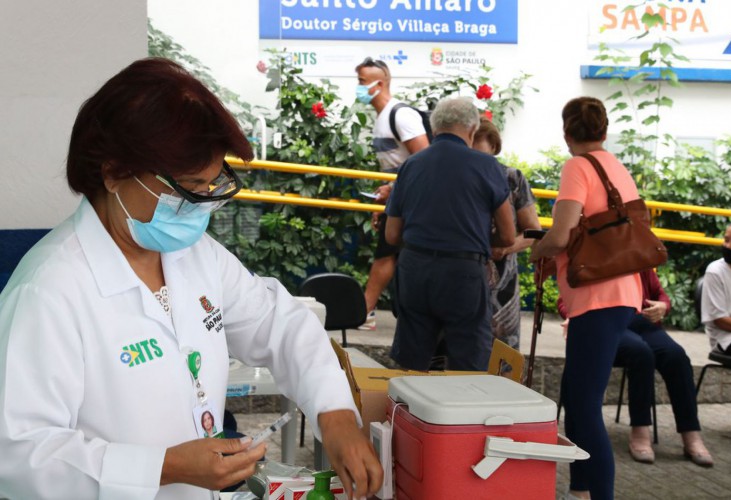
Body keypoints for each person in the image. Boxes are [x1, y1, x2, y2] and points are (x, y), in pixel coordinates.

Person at [0, 58, 382, 500]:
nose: (199, 206)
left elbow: (281, 324)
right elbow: (20, 454)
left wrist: (335, 416)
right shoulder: (49, 290)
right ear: (112, 172)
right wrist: (162, 468)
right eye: (185, 187)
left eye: (209, 187)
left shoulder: (193, 256)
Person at [530, 96, 642, 500]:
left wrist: (539, 250)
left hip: (599, 295)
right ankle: (579, 488)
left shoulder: (578, 166)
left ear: (566, 133)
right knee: (574, 395)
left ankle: (600, 495)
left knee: (585, 403)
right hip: (620, 291)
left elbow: (561, 234)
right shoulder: (615, 166)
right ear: (605, 130)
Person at [384, 97, 514, 371]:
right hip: (464, 272)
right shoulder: (487, 166)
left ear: (434, 128)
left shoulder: (411, 165)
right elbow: (508, 235)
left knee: (412, 362)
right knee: (468, 363)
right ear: (472, 129)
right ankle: (460, 413)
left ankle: (406, 413)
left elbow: (392, 234)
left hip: (415, 269)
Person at [558, 269, 713, 467]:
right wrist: (574, 316)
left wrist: (663, 306)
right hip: (607, 322)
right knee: (641, 354)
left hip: (644, 322)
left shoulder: (638, 257)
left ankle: (691, 433)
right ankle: (640, 429)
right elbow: (565, 299)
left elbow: (660, 294)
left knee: (677, 356)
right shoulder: (593, 255)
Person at [354, 57, 430, 330]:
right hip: (397, 198)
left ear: (380, 83)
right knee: (391, 253)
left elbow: (424, 159)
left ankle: (365, 311)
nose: (359, 87)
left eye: (362, 82)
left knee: (387, 254)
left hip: (410, 198)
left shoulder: (401, 115)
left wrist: (394, 190)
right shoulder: (382, 118)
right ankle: (371, 311)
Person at [472, 117, 541, 350]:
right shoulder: (458, 179)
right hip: (464, 278)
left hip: (503, 285)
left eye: (482, 154)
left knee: (501, 359)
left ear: (494, 147)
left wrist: (507, 247)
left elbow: (533, 232)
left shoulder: (512, 178)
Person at [701, 217, 731, 364]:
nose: (728, 246)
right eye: (726, 240)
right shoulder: (716, 271)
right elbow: (720, 320)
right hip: (727, 337)